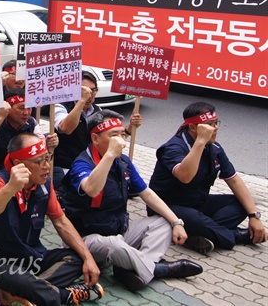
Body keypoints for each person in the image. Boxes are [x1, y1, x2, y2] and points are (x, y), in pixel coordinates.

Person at [62, 110, 203, 291]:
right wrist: (110, 155)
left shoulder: (124, 162)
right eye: (114, 135)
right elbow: (91, 188)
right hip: (86, 240)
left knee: (163, 222)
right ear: (95, 139)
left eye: (122, 134)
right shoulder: (82, 163)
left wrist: (176, 221)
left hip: (119, 231)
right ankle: (159, 269)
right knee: (114, 244)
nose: (121, 140)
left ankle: (133, 269)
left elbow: (147, 194)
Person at [0, 133, 104, 305]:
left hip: (28, 257)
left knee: (78, 257)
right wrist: (11, 188)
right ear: (19, 164)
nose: (46, 166)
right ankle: (64, 295)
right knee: (20, 279)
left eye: (47, 158)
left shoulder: (44, 184)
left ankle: (21, 292)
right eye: (39, 161)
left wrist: (88, 258)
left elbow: (61, 221)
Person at [149, 101, 267, 254]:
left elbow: (234, 180)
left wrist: (254, 216)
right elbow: (185, 176)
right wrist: (200, 141)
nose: (215, 128)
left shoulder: (214, 148)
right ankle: (235, 236)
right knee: (196, 220)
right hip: (168, 207)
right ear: (193, 127)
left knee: (242, 204)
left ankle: (199, 234)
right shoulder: (174, 147)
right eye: (210, 124)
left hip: (198, 203)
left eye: (216, 123)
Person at [54, 71, 141, 173]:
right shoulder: (61, 106)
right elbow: (66, 129)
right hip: (66, 167)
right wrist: (81, 101)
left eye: (93, 90)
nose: (89, 95)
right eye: (84, 90)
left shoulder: (98, 110)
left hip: (93, 165)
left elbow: (108, 138)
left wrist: (130, 128)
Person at [0, 88, 61, 187]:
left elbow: (41, 152)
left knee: (57, 173)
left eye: (29, 108)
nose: (26, 112)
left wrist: (49, 147)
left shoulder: (31, 122)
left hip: (26, 174)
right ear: (8, 108)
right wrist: (0, 117)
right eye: (21, 108)